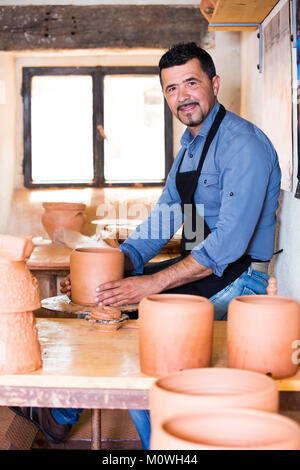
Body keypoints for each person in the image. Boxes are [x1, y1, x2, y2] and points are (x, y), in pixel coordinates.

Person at [10, 42, 281, 449]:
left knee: (146, 347)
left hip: (240, 281)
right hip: (203, 267)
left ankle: (162, 446)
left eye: (191, 83)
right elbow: (164, 218)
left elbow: (228, 244)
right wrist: (114, 268)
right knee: (103, 303)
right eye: (172, 88)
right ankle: (59, 415)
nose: (182, 96)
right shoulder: (189, 149)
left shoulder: (243, 144)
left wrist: (150, 285)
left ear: (214, 84)